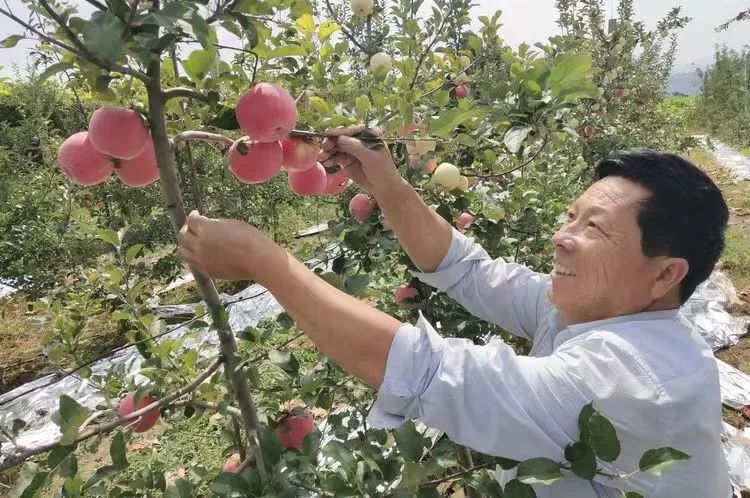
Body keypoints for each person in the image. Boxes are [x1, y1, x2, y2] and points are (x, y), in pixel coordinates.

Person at [177, 128, 732, 497]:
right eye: (570, 215)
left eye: (595, 229)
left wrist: (263, 260)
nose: (562, 238)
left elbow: (423, 371)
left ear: (665, 274)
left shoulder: (633, 380)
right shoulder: (590, 307)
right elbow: (468, 270)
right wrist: (387, 184)